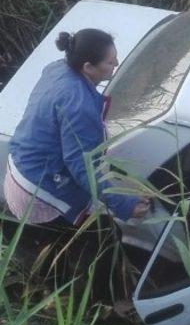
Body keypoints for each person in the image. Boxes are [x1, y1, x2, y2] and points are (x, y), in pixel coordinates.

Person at [4, 28, 150, 226]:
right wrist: (122, 205)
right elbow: (82, 165)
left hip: (21, 165)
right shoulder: (78, 104)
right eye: (110, 61)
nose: (116, 63)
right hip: (39, 190)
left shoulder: (58, 68)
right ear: (88, 67)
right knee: (97, 239)